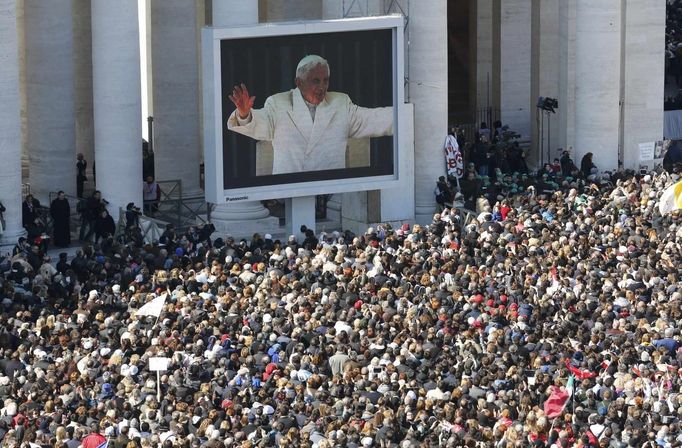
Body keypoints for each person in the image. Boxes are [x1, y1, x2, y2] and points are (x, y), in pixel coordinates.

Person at [227, 54, 393, 174]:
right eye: (315, 81)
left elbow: (373, 119)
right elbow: (260, 124)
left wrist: (405, 114)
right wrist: (244, 114)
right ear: (299, 83)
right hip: (289, 187)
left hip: (330, 186)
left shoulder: (340, 103)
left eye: (325, 80)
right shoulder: (278, 103)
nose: (322, 86)